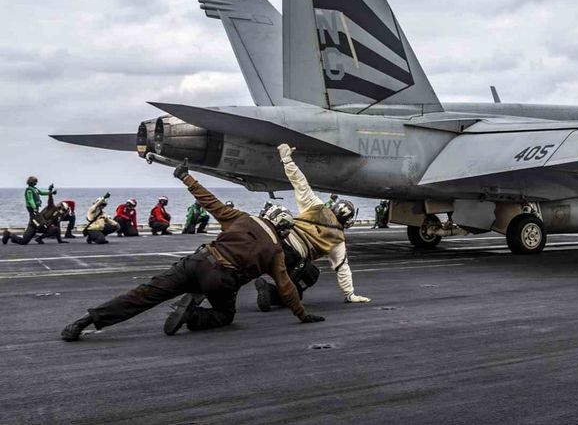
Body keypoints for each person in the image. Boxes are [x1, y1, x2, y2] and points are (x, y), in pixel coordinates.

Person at [60, 161, 325, 342]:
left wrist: (186, 177)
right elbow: (286, 287)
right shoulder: (276, 251)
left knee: (144, 294)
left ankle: (83, 322)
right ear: (283, 229)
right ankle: (194, 315)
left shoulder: (243, 218)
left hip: (197, 261)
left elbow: (210, 202)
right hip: (221, 279)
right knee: (224, 315)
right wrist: (302, 315)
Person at [255, 144, 371, 311]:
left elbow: (300, 182)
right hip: (291, 254)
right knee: (311, 274)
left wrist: (287, 160)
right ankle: (273, 292)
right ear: (346, 220)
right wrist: (350, 294)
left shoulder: (316, 206)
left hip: (276, 237)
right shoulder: (338, 239)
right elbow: (342, 267)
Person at [3, 194, 70, 245]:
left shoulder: (58, 216)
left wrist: (60, 240)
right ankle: (9, 235)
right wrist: (50, 192)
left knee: (56, 229)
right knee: (24, 242)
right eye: (64, 210)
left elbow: (57, 228)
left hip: (42, 227)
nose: (64, 211)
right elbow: (50, 200)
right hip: (34, 225)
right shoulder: (51, 207)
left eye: (64, 210)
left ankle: (39, 238)